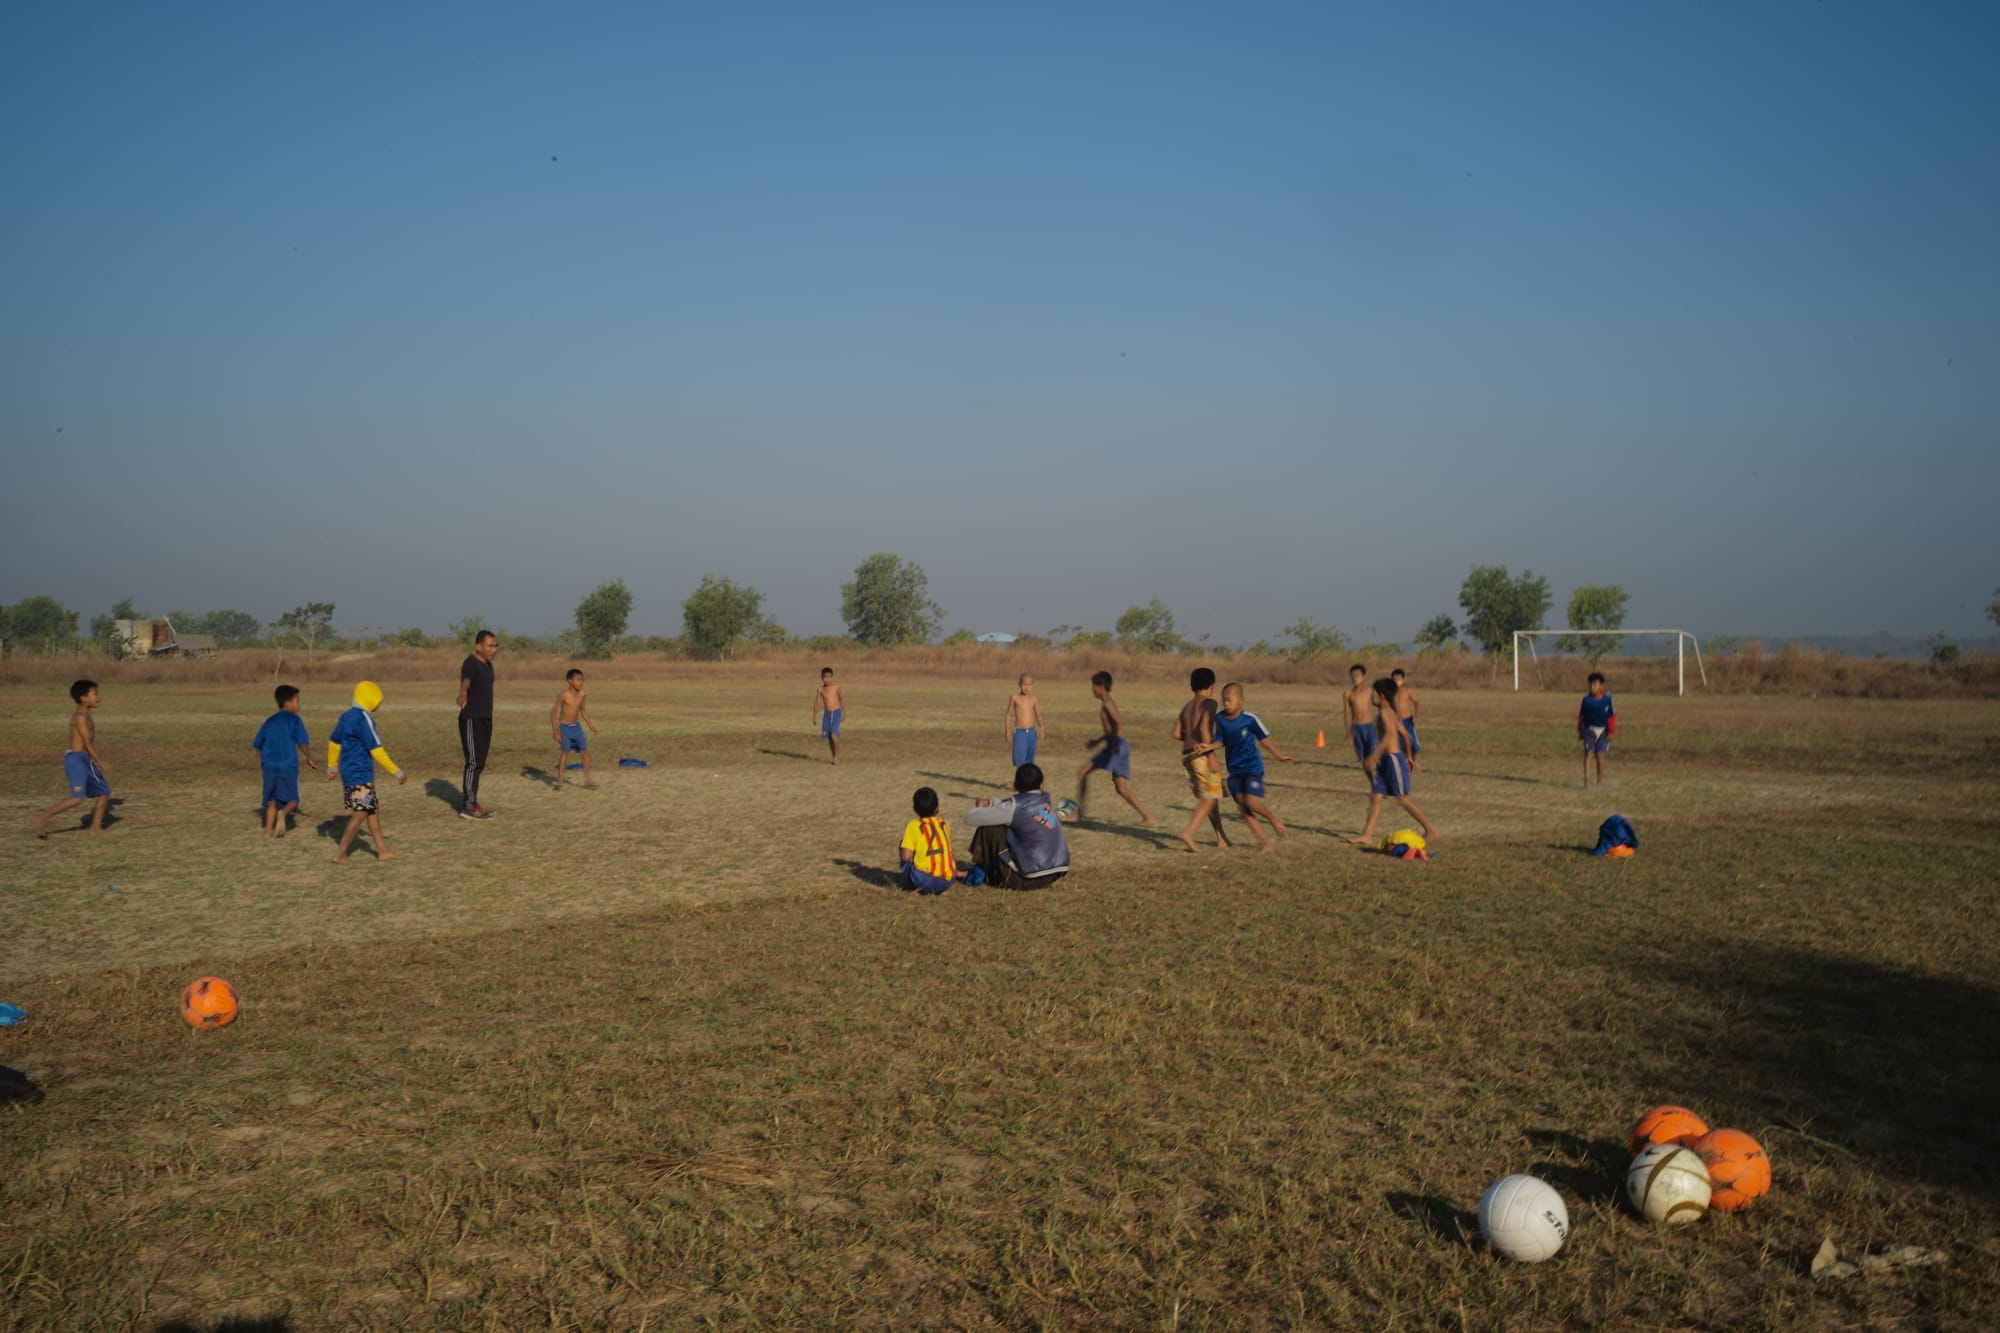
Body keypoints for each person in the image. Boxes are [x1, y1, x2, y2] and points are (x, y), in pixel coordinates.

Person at [1351, 677, 1439, 846]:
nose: (1371, 697)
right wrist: (1409, 756)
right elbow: (1405, 735)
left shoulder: (1385, 713)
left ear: (1382, 696)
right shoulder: (1389, 712)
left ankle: (1430, 829)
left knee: (1402, 799)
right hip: (1387, 761)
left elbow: (1390, 735)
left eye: (1374, 694)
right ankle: (1367, 835)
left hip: (1392, 761)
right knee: (1376, 797)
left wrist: (1375, 755)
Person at [328, 680, 407, 863]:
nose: (379, 705)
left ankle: (382, 851)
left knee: (372, 810)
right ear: (370, 699)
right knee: (361, 812)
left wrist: (332, 767)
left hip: (348, 771)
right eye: (378, 701)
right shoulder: (364, 719)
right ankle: (340, 854)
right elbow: (376, 749)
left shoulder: (346, 717)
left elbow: (334, 742)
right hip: (360, 773)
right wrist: (397, 772)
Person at [964, 763, 1071, 890]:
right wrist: (991, 802)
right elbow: (1013, 804)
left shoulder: (1014, 807)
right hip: (1055, 872)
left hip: (1027, 878)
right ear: (1042, 785)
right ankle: (982, 870)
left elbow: (970, 817)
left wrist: (981, 806)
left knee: (990, 828)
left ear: (1015, 786)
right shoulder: (1044, 802)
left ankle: (979, 872)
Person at [1215, 682, 1294, 852]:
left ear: (1241, 700)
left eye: (1229, 700)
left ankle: (1273, 819)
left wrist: (1278, 755)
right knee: (1243, 808)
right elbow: (1220, 740)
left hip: (1252, 767)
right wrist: (1208, 748)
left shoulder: (1250, 719)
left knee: (1250, 801)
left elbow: (1263, 738)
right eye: (1224, 701)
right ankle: (1265, 843)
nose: (1226, 704)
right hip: (1234, 769)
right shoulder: (1220, 719)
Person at [32, 679, 111, 838]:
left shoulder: (86, 714)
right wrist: (100, 761)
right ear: (83, 698)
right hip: (76, 760)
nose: (98, 697)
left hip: (85, 760)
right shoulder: (80, 716)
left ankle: (95, 829)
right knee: (77, 799)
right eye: (94, 694)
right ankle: (40, 819)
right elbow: (87, 743)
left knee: (104, 792)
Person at [1076, 671, 1152, 824]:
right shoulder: (1108, 702)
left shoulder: (1108, 704)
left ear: (1101, 687)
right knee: (1121, 788)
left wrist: (1115, 744)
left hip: (1115, 746)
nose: (1092, 690)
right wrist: (1097, 741)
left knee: (1083, 772)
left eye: (1094, 686)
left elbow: (1118, 723)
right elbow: (1111, 729)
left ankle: (1079, 814)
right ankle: (1148, 817)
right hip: (1119, 744)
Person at [1172, 666, 1230, 853]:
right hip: (1202, 757)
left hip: (1188, 756)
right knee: (1209, 798)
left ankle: (1221, 838)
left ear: (1192, 686)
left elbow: (1176, 733)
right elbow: (1205, 729)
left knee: (1212, 798)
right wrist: (1210, 755)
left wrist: (1192, 740)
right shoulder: (1210, 704)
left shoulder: (1187, 706)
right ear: (1212, 686)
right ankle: (1189, 833)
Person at [252, 684, 318, 838]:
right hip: (287, 764)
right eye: (297, 700)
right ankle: (283, 814)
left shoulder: (269, 721)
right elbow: (302, 742)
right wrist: (309, 758)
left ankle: (267, 831)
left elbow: (258, 743)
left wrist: (264, 760)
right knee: (293, 799)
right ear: (288, 702)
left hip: (269, 765)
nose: (298, 704)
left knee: (271, 800)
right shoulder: (295, 720)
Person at [457, 630, 499, 819]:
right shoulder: (470, 663)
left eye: (495, 646)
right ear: (478, 646)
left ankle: (473, 800)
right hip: (471, 719)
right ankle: (468, 806)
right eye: (490, 646)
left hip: (485, 719)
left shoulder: (489, 666)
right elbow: (466, 680)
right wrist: (463, 692)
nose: (494, 649)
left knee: (480, 763)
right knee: (473, 762)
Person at [897, 787, 957, 895]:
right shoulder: (944, 823)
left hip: (925, 881)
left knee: (904, 850)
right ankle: (941, 889)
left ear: (915, 809)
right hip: (949, 879)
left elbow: (906, 857)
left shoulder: (913, 825)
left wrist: (902, 846)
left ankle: (915, 887)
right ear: (937, 808)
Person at [549, 668, 599, 790]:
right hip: (565, 728)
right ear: (569, 681)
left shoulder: (582, 694)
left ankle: (588, 780)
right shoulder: (564, 695)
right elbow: (553, 712)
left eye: (582, 679)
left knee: (585, 752)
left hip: (577, 727)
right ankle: (559, 781)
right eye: (578, 679)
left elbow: (582, 710)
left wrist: (591, 726)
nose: (580, 682)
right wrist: (555, 731)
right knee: (565, 753)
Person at [1003, 673, 1048, 767]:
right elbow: (1008, 715)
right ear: (1019, 684)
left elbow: (1038, 715)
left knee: (1030, 761)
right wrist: (1007, 730)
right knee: (1019, 760)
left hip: (1032, 733)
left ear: (1032, 685)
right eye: (1024, 684)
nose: (1026, 687)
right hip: (1020, 733)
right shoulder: (1015, 698)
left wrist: (1041, 728)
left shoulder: (1034, 699)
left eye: (1029, 685)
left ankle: (1029, 781)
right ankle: (1020, 780)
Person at [1579, 671, 1616, 786]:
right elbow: (1581, 717)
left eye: (1595, 685)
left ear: (1601, 686)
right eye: (1590, 685)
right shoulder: (1586, 700)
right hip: (1588, 729)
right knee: (1588, 754)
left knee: (1600, 755)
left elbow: (1611, 716)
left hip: (1603, 731)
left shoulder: (1607, 699)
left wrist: (1611, 732)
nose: (1592, 687)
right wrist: (1580, 730)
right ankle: (1587, 781)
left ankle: (1599, 781)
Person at [1342, 663, 1376, 770]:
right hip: (1356, 727)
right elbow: (1347, 713)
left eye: (1357, 675)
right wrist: (1348, 732)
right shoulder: (1348, 694)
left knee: (1373, 749)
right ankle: (1365, 767)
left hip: (1370, 726)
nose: (1354, 678)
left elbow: (1380, 704)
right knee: (1361, 755)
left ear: (1363, 677)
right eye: (1352, 676)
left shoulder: (1370, 691)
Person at [1390, 667, 1422, 769]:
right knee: (1399, 743)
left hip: (1407, 720)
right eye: (1394, 679)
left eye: (1398, 679)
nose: (1396, 681)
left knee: (1414, 744)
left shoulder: (1407, 691)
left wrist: (1417, 716)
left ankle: (1414, 761)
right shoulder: (1391, 692)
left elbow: (1416, 702)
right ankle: (1405, 762)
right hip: (1396, 721)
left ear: (1403, 679)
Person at [812, 666, 843, 765]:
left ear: (832, 677)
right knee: (828, 736)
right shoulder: (820, 690)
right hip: (827, 714)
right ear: (821, 677)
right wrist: (814, 716)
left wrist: (844, 712)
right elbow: (817, 703)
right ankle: (834, 756)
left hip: (836, 712)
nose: (827, 679)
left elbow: (841, 699)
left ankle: (837, 756)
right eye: (825, 677)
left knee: (834, 734)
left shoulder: (836, 688)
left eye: (829, 677)